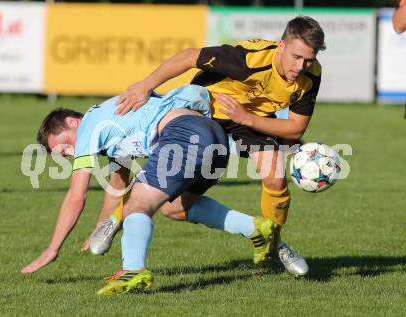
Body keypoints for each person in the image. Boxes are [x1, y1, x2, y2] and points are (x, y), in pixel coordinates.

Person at [111, 16, 325, 272]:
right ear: (281, 46)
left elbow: (295, 127)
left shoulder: (311, 76)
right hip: (207, 109)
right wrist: (145, 86)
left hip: (249, 118)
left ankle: (273, 243)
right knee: (172, 200)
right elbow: (189, 56)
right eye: (296, 57)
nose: (300, 66)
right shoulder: (249, 58)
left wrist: (246, 118)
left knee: (276, 179)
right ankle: (115, 217)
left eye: (308, 59)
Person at [20, 85, 282, 291]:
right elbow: (118, 185)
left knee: (139, 204)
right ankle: (255, 228)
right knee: (174, 208)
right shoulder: (110, 126)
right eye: (63, 154)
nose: (69, 153)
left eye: (65, 145)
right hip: (213, 137)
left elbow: (77, 196)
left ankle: (133, 270)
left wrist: (52, 249)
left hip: (183, 133)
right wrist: (102, 228)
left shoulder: (89, 125)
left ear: (71, 122)